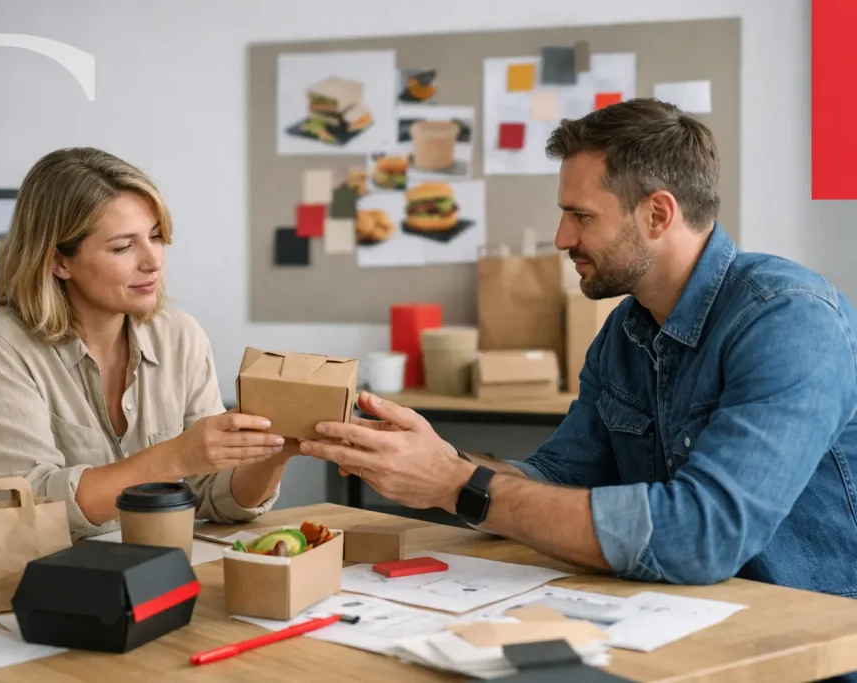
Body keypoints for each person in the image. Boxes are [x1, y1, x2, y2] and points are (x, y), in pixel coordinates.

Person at [300, 98, 857, 598]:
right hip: (680, 619)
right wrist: (433, 461)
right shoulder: (625, 332)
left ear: (658, 214)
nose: (563, 238)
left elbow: (701, 534)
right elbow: (558, 478)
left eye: (581, 216)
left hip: (805, 645)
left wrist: (456, 485)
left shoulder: (791, 320)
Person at [0, 147, 291, 540]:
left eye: (155, 237)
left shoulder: (180, 337)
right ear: (58, 262)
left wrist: (277, 449)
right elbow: (26, 510)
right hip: (41, 581)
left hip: (156, 571)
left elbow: (214, 496)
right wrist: (174, 457)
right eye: (123, 247)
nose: (153, 261)